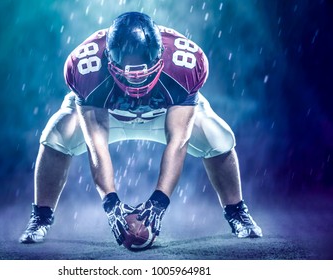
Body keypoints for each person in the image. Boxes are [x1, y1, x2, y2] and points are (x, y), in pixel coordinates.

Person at [19, 12, 262, 246]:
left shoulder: (183, 65)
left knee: (217, 136)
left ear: (161, 57)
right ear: (109, 60)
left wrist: (159, 202)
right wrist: (111, 203)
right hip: (108, 114)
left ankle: (236, 211)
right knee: (56, 135)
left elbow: (178, 139)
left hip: (165, 113)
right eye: (129, 72)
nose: (136, 80)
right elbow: (97, 144)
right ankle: (40, 217)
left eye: (143, 72)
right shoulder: (87, 69)